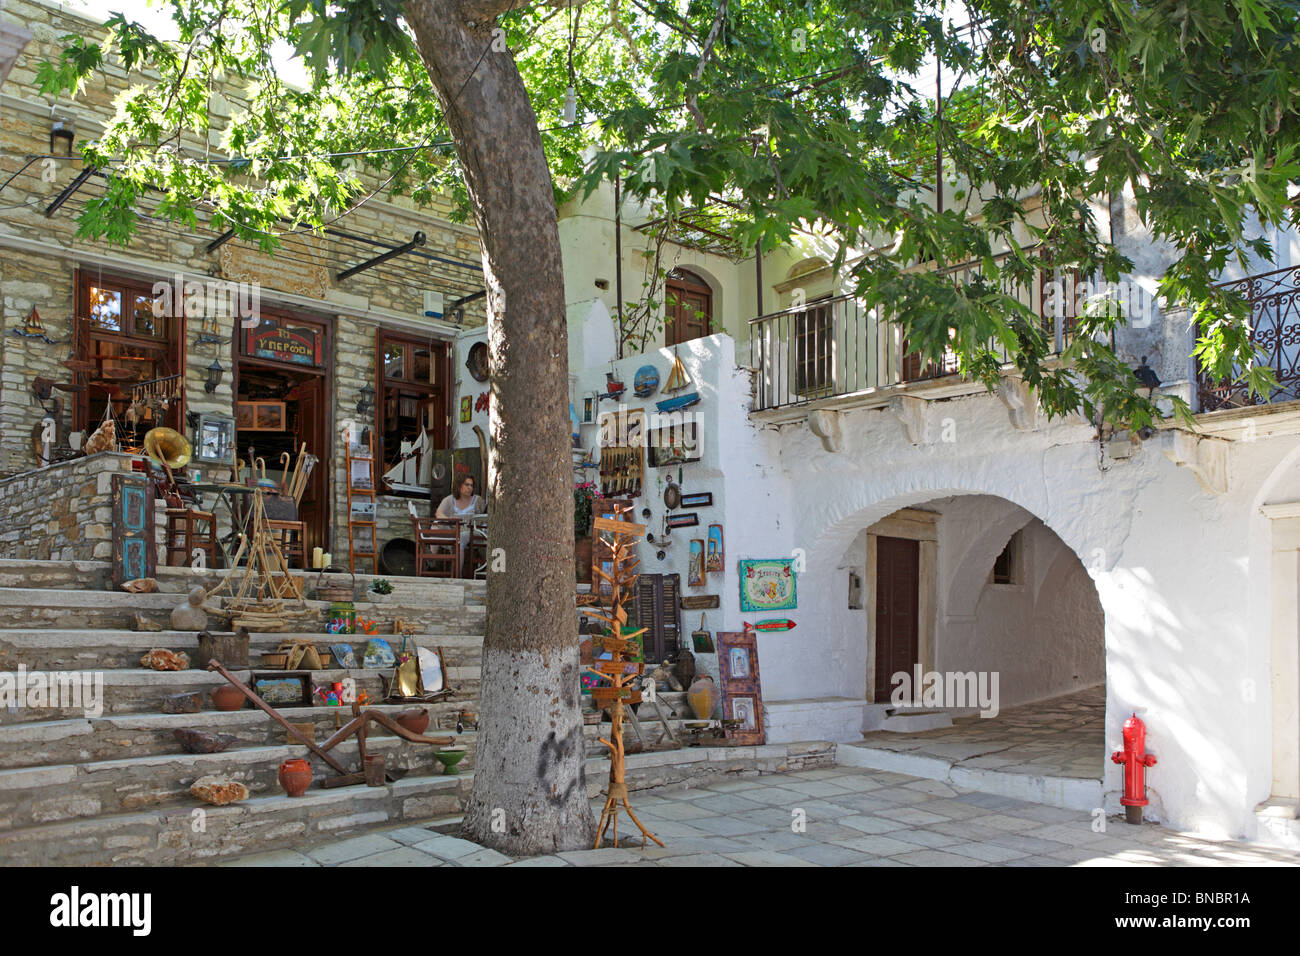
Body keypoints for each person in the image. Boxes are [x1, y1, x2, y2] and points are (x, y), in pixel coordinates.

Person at [435, 475, 485, 575]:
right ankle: (433, 561)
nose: (469, 488)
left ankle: (458, 575)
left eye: (471, 485)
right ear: (458, 486)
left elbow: (483, 516)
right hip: (455, 530)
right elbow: (438, 513)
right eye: (467, 485)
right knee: (435, 525)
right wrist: (449, 520)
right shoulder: (450, 500)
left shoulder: (477, 500)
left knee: (460, 539)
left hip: (473, 532)